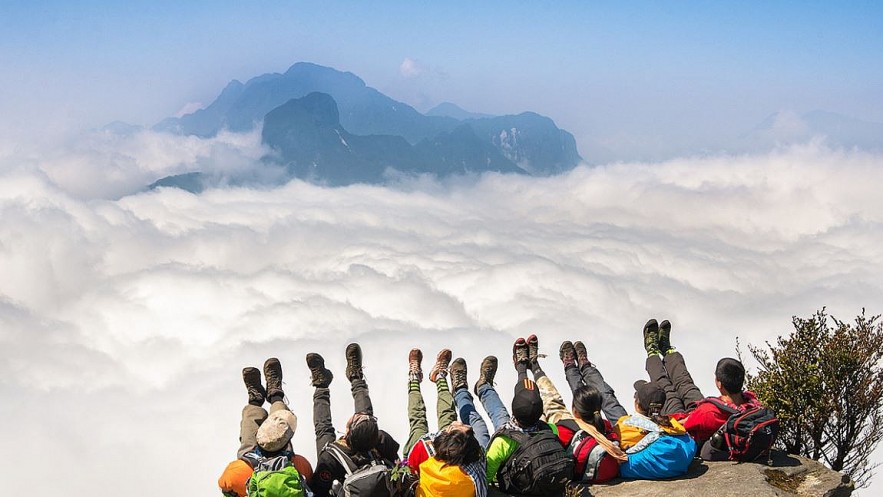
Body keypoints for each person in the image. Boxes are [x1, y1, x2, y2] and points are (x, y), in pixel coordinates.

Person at [641, 318, 765, 460]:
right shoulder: (752, 401)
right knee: (686, 384)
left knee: (667, 391)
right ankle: (668, 351)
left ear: (719, 384)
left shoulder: (708, 413)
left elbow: (682, 424)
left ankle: (652, 353)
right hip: (706, 410)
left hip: (690, 424)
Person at [307, 343, 400, 497]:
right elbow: (396, 464)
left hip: (338, 471)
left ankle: (321, 385)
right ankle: (356, 376)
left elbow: (319, 491)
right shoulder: (381, 439)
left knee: (323, 429)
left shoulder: (329, 458)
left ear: (348, 431)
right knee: (366, 418)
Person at [530, 336, 626, 484]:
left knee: (558, 403)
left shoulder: (565, 429)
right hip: (609, 472)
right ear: (598, 409)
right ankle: (581, 365)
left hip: (582, 473)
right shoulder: (605, 425)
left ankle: (563, 365)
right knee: (592, 396)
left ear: (574, 411)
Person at [484, 337, 574, 495]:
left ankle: (515, 370)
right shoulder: (550, 429)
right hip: (545, 482)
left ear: (513, 408)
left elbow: (486, 477)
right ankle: (530, 365)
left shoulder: (502, 442)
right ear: (541, 413)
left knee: (498, 416)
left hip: (520, 487)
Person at [218, 358, 314, 497]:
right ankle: (275, 395)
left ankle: (256, 400)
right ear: (287, 443)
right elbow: (308, 482)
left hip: (250, 471)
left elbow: (225, 486)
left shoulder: (238, 472)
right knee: (279, 424)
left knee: (248, 440)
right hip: (276, 469)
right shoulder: (299, 465)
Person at [404, 348, 488, 497]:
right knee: (448, 414)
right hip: (449, 452)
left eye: (457, 427)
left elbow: (410, 470)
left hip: (423, 458)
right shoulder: (473, 473)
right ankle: (440, 376)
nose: (459, 422)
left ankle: (414, 378)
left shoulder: (422, 448)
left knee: (417, 422)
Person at [449, 355, 511, 449]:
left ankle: (460, 390)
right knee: (503, 419)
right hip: (513, 456)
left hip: (479, 458)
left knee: (476, 423)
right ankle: (483, 386)